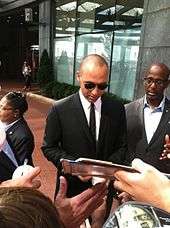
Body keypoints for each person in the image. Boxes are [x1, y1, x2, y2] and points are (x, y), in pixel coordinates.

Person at [42, 54, 127, 226]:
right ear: (78, 76)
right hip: (70, 189)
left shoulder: (117, 108)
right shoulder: (60, 109)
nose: (95, 92)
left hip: (102, 188)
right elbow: (49, 147)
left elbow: (122, 146)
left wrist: (105, 172)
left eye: (102, 86)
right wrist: (75, 166)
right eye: (89, 85)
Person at [125, 63, 170, 173]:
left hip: (161, 181)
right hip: (130, 179)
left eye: (158, 82)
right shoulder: (127, 110)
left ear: (167, 84)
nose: (153, 86)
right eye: (149, 80)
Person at [0, 91, 34, 181]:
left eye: (2, 107)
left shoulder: (23, 136)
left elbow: (18, 169)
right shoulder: (4, 122)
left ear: (16, 112)